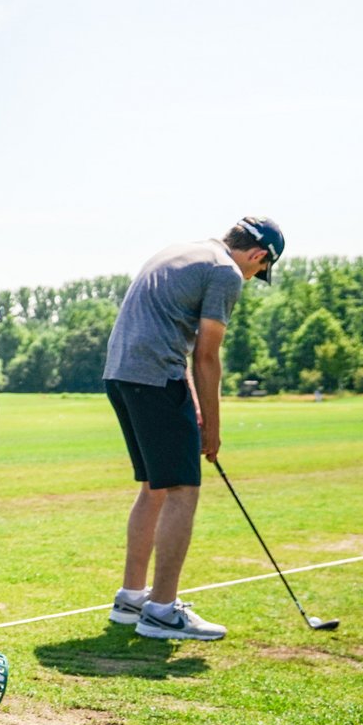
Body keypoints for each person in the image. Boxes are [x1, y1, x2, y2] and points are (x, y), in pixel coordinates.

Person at [102, 217, 285, 641]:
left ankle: (131, 599)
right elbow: (206, 356)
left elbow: (171, 336)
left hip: (121, 375)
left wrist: (196, 407)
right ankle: (161, 611)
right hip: (155, 378)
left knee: (154, 486)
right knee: (183, 489)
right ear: (258, 256)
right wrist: (214, 430)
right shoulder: (224, 272)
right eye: (260, 270)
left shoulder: (181, 250)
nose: (254, 276)